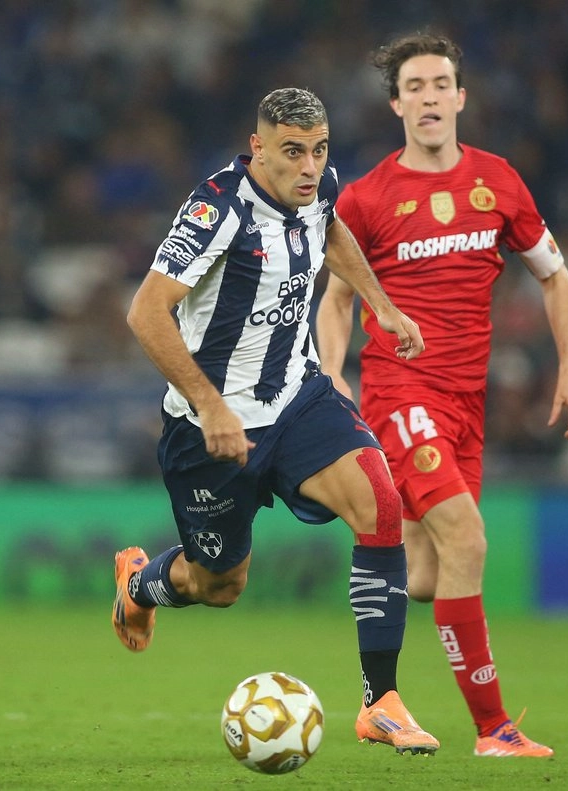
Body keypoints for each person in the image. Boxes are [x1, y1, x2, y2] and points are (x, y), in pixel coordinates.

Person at [113, 87, 439, 755]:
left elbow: (333, 232)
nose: (309, 168)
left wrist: (381, 305)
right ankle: (140, 583)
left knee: (380, 502)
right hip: (210, 431)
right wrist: (210, 405)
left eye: (319, 151)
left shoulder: (318, 189)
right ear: (258, 148)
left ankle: (381, 701)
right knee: (220, 584)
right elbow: (146, 312)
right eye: (293, 152)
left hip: (297, 400)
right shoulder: (216, 209)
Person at [316, 34, 568, 757]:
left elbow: (555, 277)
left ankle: (372, 567)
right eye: (415, 86)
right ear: (396, 103)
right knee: (470, 538)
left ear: (462, 97)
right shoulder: (367, 196)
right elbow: (338, 298)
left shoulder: (498, 182)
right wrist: (331, 374)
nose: (430, 96)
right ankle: (493, 729)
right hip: (398, 391)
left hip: (465, 403)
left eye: (441, 83)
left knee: (426, 572)